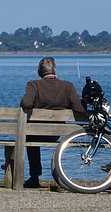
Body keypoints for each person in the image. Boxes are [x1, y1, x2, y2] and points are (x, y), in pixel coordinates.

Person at [20, 57, 86, 188]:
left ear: (40, 71)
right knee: (59, 137)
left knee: (29, 136)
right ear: (54, 70)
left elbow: (26, 103)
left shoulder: (33, 85)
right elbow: (79, 109)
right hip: (58, 133)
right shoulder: (68, 86)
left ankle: (34, 177)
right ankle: (61, 175)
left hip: (36, 132)